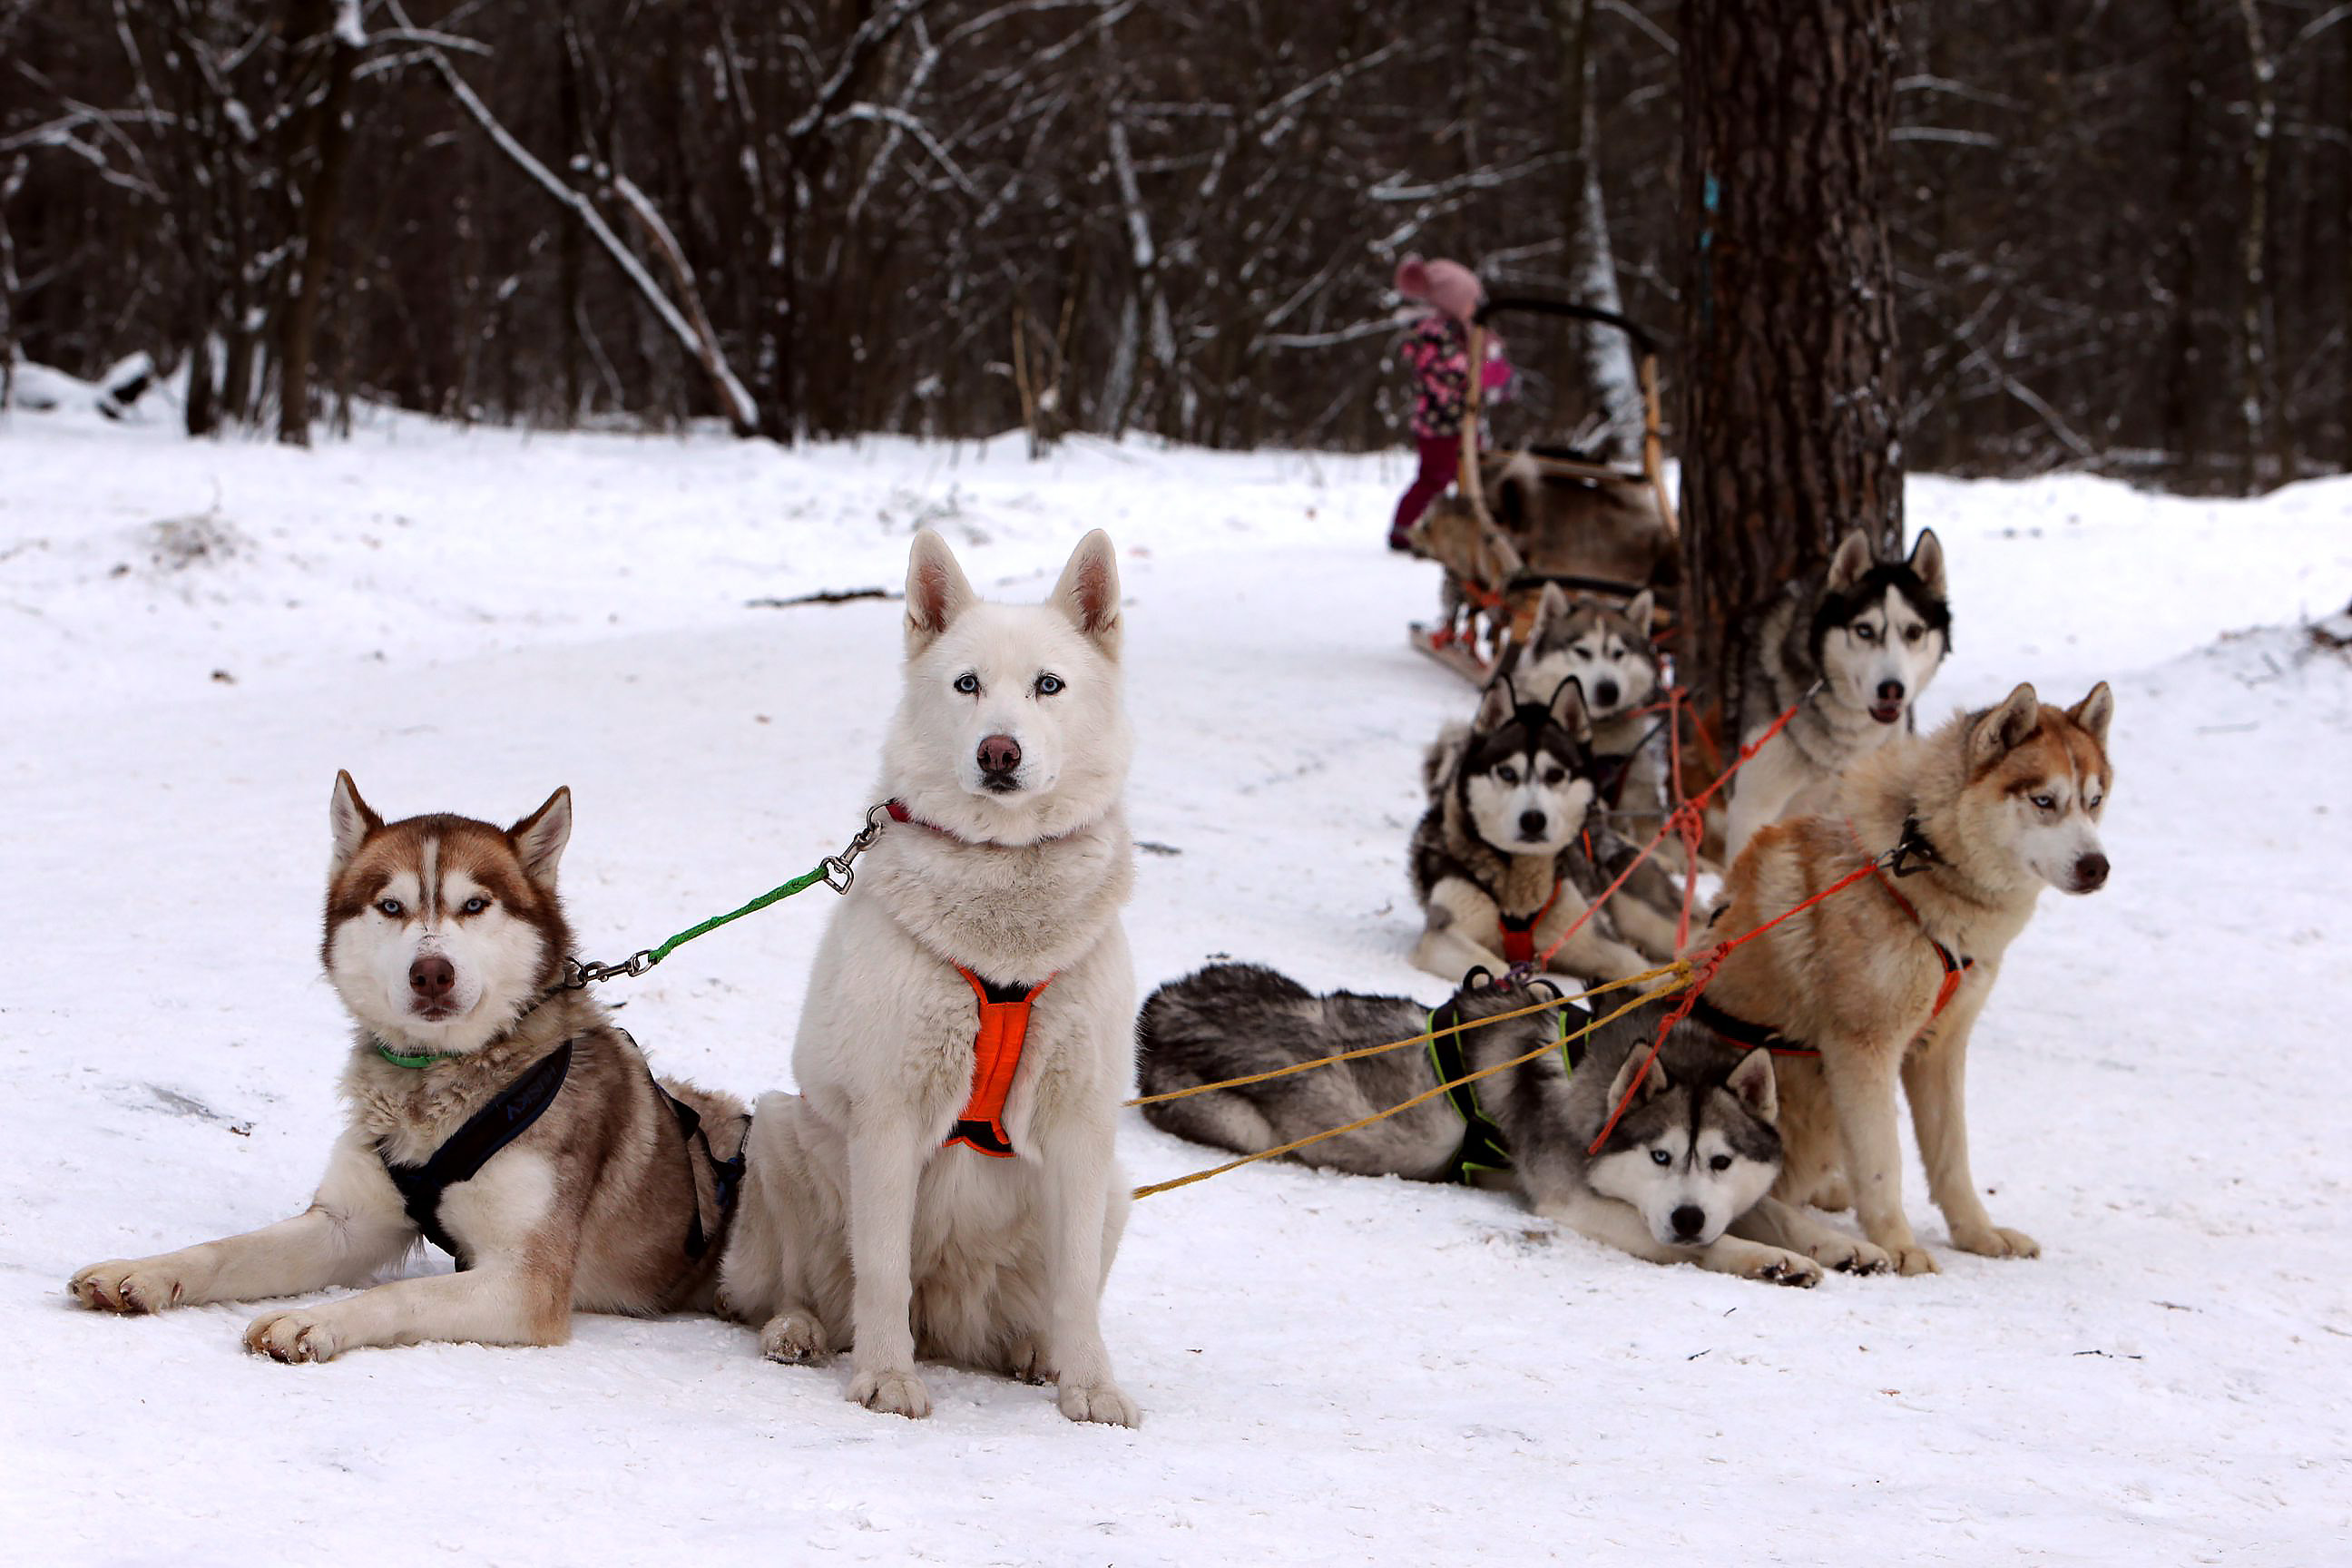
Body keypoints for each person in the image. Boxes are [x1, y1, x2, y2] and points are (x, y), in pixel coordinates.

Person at [1389, 253, 1511, 553]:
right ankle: (1404, 529)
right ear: (1451, 302)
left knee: (1473, 477)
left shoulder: (1460, 333)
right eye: (1470, 302)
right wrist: (1488, 373)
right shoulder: (1436, 335)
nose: (1475, 308)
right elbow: (1457, 372)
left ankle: (1475, 529)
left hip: (1462, 422)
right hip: (1440, 425)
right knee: (1434, 479)